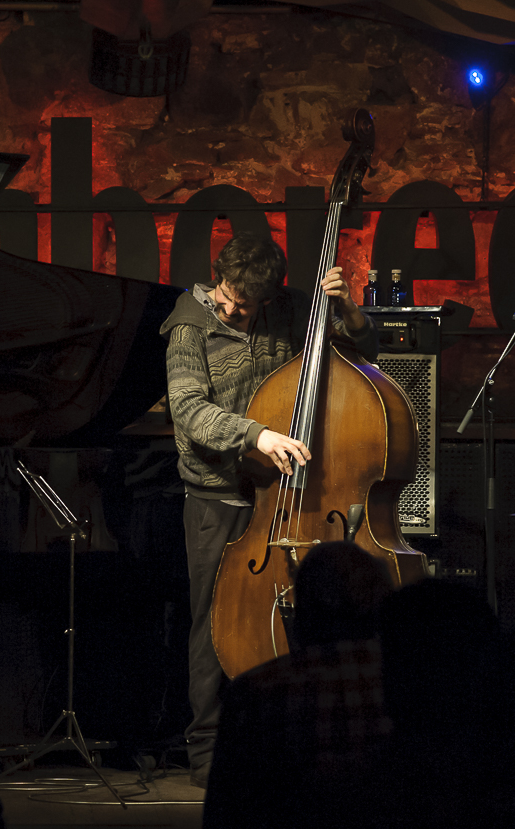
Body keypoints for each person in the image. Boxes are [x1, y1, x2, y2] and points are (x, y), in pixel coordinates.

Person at [161, 233, 376, 787]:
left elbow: (363, 351)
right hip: (218, 494)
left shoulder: (290, 310)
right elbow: (188, 409)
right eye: (227, 297)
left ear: (269, 298)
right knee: (213, 621)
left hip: (288, 495)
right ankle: (207, 750)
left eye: (245, 305)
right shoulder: (190, 325)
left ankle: (289, 736)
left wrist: (348, 308)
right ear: (218, 276)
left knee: (300, 614)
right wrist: (257, 435)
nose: (231, 310)